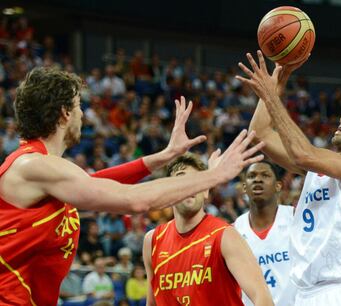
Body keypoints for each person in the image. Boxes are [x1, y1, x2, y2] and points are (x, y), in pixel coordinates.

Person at [0, 67, 264, 305]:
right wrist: (214, 175)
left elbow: (96, 182)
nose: (82, 113)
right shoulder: (33, 166)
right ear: (65, 113)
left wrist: (164, 156)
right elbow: (135, 201)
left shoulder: (44, 170)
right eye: (79, 105)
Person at [237, 51, 341, 305]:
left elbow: (303, 154)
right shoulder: (321, 168)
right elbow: (259, 134)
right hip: (305, 292)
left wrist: (272, 96)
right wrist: (279, 78)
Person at [143, 153, 273, 306]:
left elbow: (262, 297)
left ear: (205, 192)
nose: (190, 186)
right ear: (169, 190)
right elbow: (152, 303)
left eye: (197, 182)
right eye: (181, 179)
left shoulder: (225, 235)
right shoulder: (152, 240)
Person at [234, 161, 295, 305]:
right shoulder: (234, 230)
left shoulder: (295, 218)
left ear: (278, 185)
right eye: (251, 176)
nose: (258, 179)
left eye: (265, 175)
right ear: (244, 187)